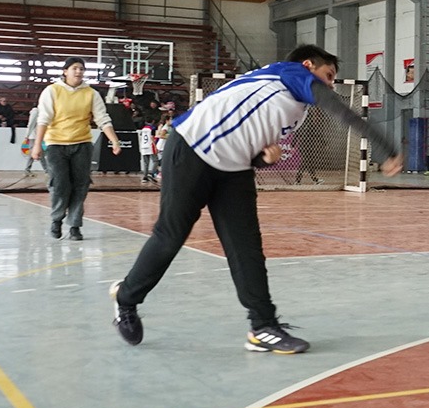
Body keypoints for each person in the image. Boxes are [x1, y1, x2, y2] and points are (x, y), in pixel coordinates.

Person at [109, 45, 403, 354]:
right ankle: (126, 299)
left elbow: (255, 147)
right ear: (308, 65)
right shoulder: (289, 72)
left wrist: (264, 159)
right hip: (192, 148)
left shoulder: (295, 109)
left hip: (234, 168)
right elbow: (337, 108)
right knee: (171, 235)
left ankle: (263, 327)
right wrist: (385, 148)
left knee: (246, 247)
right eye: (328, 75)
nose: (330, 85)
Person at [31, 57, 123, 240]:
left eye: (81, 68)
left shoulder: (91, 93)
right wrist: (37, 145)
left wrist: (114, 140)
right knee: (59, 184)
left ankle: (74, 225)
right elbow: (43, 119)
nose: (79, 71)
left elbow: (102, 118)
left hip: (82, 144)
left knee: (81, 185)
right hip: (56, 144)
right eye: (74, 68)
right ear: (65, 71)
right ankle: (57, 219)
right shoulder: (52, 91)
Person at [137, 114, 159, 183]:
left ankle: (145, 177)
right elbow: (152, 137)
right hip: (150, 145)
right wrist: (155, 146)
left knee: (146, 163)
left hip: (144, 146)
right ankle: (152, 173)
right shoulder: (152, 128)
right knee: (156, 160)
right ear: (153, 121)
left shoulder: (143, 129)